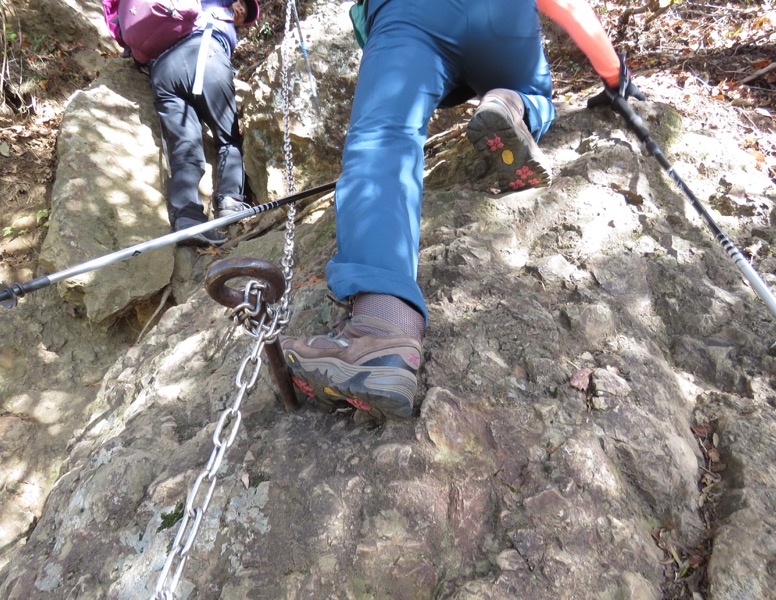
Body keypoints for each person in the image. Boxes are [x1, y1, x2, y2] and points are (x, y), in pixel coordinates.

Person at [282, 0, 645, 419]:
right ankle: (515, 106)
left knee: (385, 137)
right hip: (504, 19)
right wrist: (615, 74)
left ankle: (382, 325)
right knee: (536, 92)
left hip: (411, 17)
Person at [149, 0, 259, 246]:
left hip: (164, 69)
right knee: (228, 137)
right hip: (205, 57)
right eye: (242, 3)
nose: (242, 10)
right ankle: (230, 200)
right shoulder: (212, 5)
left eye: (246, 14)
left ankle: (188, 220)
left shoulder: (189, 15)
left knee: (184, 148)